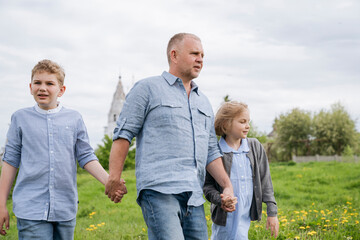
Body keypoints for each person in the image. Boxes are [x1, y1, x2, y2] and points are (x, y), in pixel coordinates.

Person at [105, 33, 236, 239]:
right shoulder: (147, 89)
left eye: (202, 55)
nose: (200, 59)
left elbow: (211, 150)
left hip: (194, 196)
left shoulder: (203, 102)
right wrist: (114, 178)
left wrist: (227, 186)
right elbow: (123, 135)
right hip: (159, 192)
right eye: (194, 53)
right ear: (174, 55)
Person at [0, 59, 126, 239]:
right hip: (31, 210)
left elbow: (86, 156)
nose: (42, 88)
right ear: (30, 87)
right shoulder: (20, 118)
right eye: (38, 83)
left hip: (65, 210)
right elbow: (10, 161)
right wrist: (1, 204)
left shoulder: (74, 119)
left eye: (49, 83)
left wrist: (109, 181)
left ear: (61, 90)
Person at [203, 101, 279, 239]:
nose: (248, 126)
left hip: (245, 213)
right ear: (226, 124)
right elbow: (207, 186)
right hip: (224, 216)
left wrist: (272, 212)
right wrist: (221, 200)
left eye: (248, 121)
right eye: (242, 121)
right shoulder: (215, 151)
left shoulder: (254, 146)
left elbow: (265, 181)